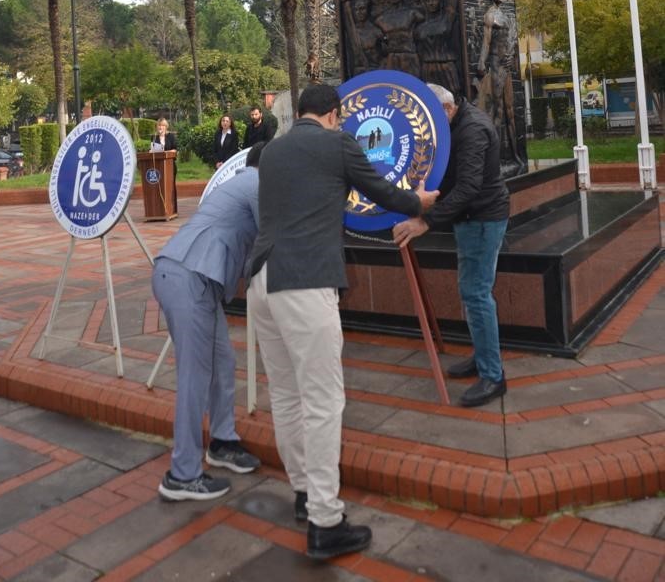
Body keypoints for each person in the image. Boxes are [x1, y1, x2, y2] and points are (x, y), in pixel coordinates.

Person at [246, 83, 439, 560]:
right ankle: (326, 521)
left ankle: (303, 494)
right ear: (334, 114)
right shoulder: (337, 141)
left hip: (260, 283)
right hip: (305, 280)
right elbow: (378, 191)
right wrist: (419, 203)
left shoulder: (270, 150)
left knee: (287, 396)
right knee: (323, 401)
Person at [152, 143, 265, 502]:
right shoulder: (258, 183)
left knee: (221, 363)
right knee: (195, 377)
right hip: (189, 278)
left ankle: (222, 442)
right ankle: (182, 475)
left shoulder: (241, 184)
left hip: (194, 278)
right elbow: (275, 235)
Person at [392, 85, 509, 408]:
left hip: (482, 220)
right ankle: (484, 357)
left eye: (431, 118)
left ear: (445, 109)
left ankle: (493, 376)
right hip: (472, 220)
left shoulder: (472, 130)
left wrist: (425, 222)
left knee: (476, 293)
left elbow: (469, 187)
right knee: (471, 292)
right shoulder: (457, 122)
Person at [476, 0, 521, 165]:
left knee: (510, 111)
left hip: (507, 66)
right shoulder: (490, 16)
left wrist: (513, 58)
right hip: (495, 65)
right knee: (498, 112)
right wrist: (481, 63)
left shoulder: (506, 16)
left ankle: (516, 156)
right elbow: (486, 42)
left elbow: (513, 43)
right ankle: (495, 160)